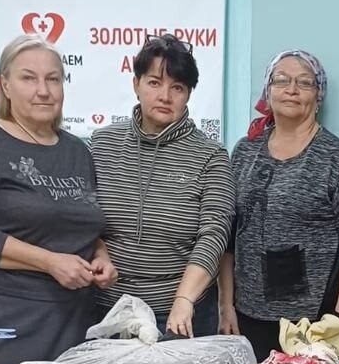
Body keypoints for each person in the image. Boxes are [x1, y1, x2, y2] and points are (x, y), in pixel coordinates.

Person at [0, 34, 116, 364]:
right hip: (8, 315)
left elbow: (79, 221)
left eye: (53, 79)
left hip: (74, 316)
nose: (43, 90)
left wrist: (101, 256)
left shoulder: (76, 150)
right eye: (28, 78)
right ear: (6, 86)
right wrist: (49, 262)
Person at [219, 50, 339, 361]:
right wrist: (225, 305)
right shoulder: (245, 151)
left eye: (304, 83)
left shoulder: (336, 156)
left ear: (318, 95)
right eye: (281, 81)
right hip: (247, 315)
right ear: (268, 90)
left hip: (313, 322)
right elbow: (228, 235)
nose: (291, 89)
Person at [90, 33, 235, 337]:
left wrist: (184, 300)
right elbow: (81, 217)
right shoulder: (102, 144)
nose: (165, 96)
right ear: (136, 84)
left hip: (179, 315)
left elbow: (214, 234)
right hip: (106, 311)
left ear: (189, 94)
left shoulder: (211, 156)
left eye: (177, 87)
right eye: (154, 83)